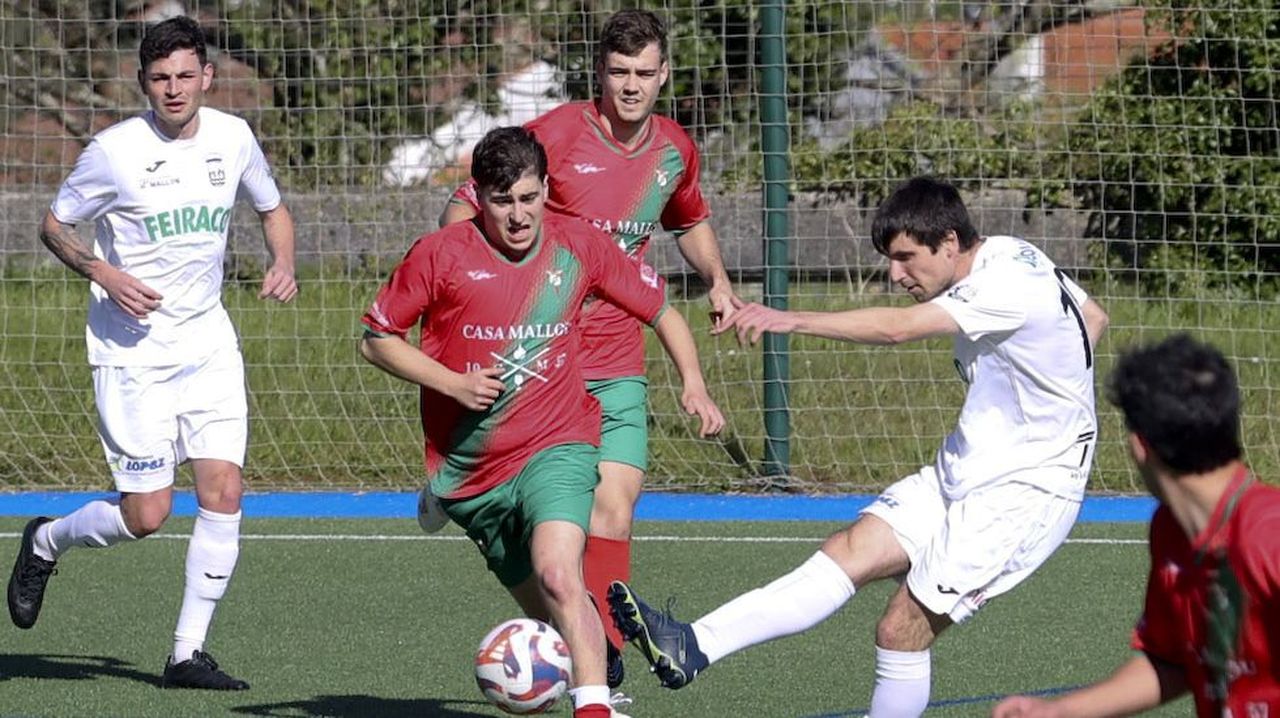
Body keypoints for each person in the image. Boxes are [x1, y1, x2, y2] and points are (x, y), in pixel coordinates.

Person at [608, 176, 1110, 716]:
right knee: (850, 550)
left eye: (905, 258)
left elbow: (897, 330)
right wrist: (1051, 382)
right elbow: (1094, 317)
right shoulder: (1012, 251)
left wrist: (788, 318)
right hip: (968, 467)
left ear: (949, 243)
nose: (896, 275)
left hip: (1024, 494)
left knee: (901, 630)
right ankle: (694, 645)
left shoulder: (1002, 286)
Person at [360, 126, 722, 718]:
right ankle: (444, 495)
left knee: (560, 573)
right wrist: (452, 383)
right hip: (475, 463)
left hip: (560, 440)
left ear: (546, 190)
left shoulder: (579, 245)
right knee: (544, 607)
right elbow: (376, 341)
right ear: (478, 197)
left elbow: (662, 311)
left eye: (529, 198)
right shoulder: (441, 254)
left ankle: (596, 706)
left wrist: (694, 384)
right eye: (503, 201)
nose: (519, 215)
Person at [437, 9, 741, 686]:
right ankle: (462, 491)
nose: (631, 86)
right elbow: (466, 206)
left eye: (644, 73)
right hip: (544, 356)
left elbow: (688, 218)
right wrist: (461, 278)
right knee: (519, 520)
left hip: (615, 357)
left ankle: (601, 663)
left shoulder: (672, 151)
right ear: (600, 72)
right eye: (618, 72)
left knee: (612, 507)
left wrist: (717, 281)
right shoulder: (554, 136)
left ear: (665, 75)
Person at [6, 16, 296, 690]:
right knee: (147, 515)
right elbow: (55, 225)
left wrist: (283, 259)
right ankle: (46, 540)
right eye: (161, 78)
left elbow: (272, 207)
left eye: (185, 76)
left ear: (207, 78)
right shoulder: (112, 151)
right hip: (132, 353)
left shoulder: (234, 136)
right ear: (144, 82)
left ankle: (185, 654)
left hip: (208, 343)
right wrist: (103, 273)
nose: (174, 89)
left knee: (223, 489)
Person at [993, 334, 1280, 718]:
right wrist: (1058, 711)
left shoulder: (1268, 532)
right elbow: (1171, 661)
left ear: (1140, 444)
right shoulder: (1172, 530)